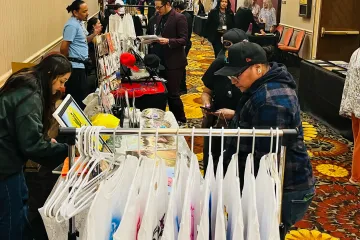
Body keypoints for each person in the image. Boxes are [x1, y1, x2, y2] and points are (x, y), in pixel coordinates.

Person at [215, 41, 315, 239]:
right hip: (278, 185)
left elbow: (266, 162)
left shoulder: (271, 100)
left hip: (282, 190)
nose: (233, 81)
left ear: (258, 67)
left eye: (236, 75)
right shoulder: (265, 88)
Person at [0, 54, 71, 239]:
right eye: (61, 81)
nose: (61, 87)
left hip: (9, 158)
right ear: (50, 74)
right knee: (11, 214)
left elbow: (28, 132)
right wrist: (67, 150)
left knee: (20, 201)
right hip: (5, 164)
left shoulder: (29, 79)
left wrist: (46, 142)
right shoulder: (31, 95)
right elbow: (31, 144)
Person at [201, 28, 247, 173]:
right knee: (212, 163)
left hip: (243, 127)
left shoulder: (250, 70)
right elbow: (206, 92)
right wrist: (207, 105)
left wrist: (234, 114)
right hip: (218, 124)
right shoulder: (218, 63)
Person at [60, 0, 101, 109]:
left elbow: (84, 40)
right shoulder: (72, 25)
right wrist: (66, 65)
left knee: (83, 97)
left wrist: (94, 34)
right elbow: (64, 48)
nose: (87, 13)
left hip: (82, 66)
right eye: (84, 11)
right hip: (75, 68)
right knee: (78, 99)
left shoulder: (80, 23)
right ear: (75, 12)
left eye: (87, 11)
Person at [153, 0, 188, 124]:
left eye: (159, 7)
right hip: (161, 60)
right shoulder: (159, 17)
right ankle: (164, 119)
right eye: (156, 8)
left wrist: (168, 41)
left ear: (167, 4)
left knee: (173, 94)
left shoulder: (179, 18)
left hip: (175, 62)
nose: (157, 10)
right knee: (161, 92)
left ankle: (180, 120)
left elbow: (184, 40)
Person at [340, 48, 360, 186]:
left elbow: (348, 80)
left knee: (357, 138)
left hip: (354, 104)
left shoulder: (357, 52)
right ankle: (356, 176)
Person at [173, 1, 193, 94]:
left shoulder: (183, 17)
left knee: (181, 65)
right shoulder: (187, 15)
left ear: (177, 9)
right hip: (186, 42)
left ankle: (182, 88)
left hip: (184, 44)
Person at [87, 17, 103, 92]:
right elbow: (98, 44)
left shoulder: (95, 34)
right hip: (93, 61)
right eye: (99, 23)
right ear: (93, 26)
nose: (101, 24)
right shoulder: (91, 35)